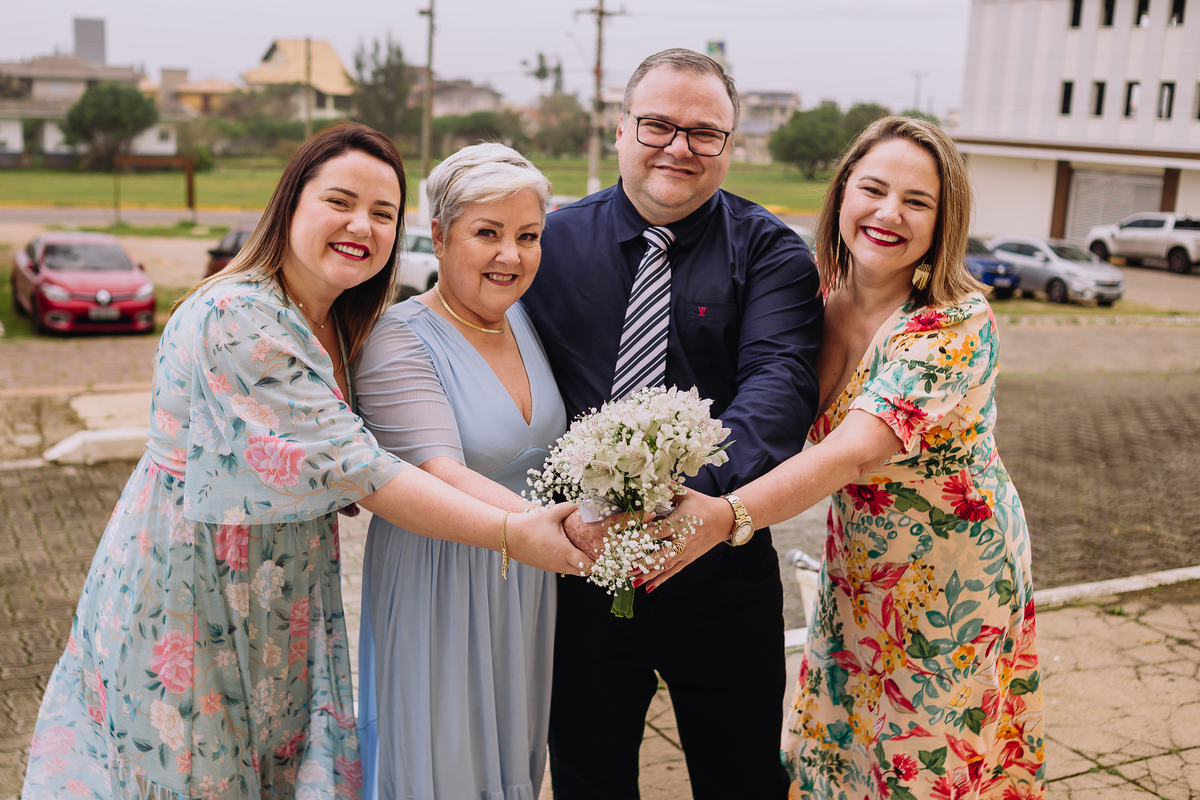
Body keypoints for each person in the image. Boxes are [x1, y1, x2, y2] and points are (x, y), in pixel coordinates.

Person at [21, 123, 587, 800]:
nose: (362, 226)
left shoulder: (336, 322)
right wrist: (515, 532)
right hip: (196, 587)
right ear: (290, 203)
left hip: (285, 587)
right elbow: (361, 472)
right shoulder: (238, 316)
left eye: (383, 213)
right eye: (340, 202)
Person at [655, 116, 1046, 799]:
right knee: (841, 747)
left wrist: (723, 516)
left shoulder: (952, 323)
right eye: (873, 189)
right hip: (859, 566)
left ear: (943, 222)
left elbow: (848, 454)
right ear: (841, 194)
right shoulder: (814, 298)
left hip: (952, 581)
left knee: (922, 764)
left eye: (917, 201)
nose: (889, 213)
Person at [522, 49, 823, 799]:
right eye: (657, 124)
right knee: (588, 781)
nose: (679, 147)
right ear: (620, 128)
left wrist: (688, 504)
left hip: (721, 561)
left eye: (704, 132)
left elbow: (779, 385)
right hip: (579, 570)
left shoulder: (772, 252)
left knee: (742, 781)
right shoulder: (549, 246)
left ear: (730, 144)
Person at [351, 143, 565, 800]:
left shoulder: (523, 319)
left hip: (525, 581)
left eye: (527, 236)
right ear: (439, 236)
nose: (511, 256)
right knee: (445, 765)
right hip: (442, 578)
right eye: (488, 233)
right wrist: (565, 532)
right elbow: (438, 471)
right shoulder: (397, 338)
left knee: (511, 759)